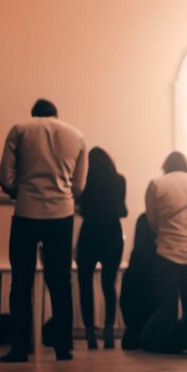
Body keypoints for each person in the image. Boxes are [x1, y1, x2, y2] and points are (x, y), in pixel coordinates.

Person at [0, 99, 87, 362]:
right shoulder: (76, 135)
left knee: (21, 281)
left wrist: (19, 192)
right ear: (56, 115)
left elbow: (5, 176)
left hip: (26, 212)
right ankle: (63, 347)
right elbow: (79, 185)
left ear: (33, 114)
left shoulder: (19, 129)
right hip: (61, 214)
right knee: (60, 282)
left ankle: (20, 347)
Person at [142, 151, 187, 356]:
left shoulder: (156, 184)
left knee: (166, 308)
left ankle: (161, 342)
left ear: (166, 165)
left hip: (166, 252)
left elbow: (152, 221)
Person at [76, 147, 127, 349]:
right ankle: (108, 332)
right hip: (113, 234)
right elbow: (122, 210)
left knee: (85, 283)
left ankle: (89, 333)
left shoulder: (86, 183)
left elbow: (81, 208)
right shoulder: (119, 181)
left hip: (89, 234)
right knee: (108, 284)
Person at [119, 213, 156, 350]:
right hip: (150, 327)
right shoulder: (158, 267)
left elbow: (124, 301)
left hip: (133, 326)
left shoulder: (133, 265)